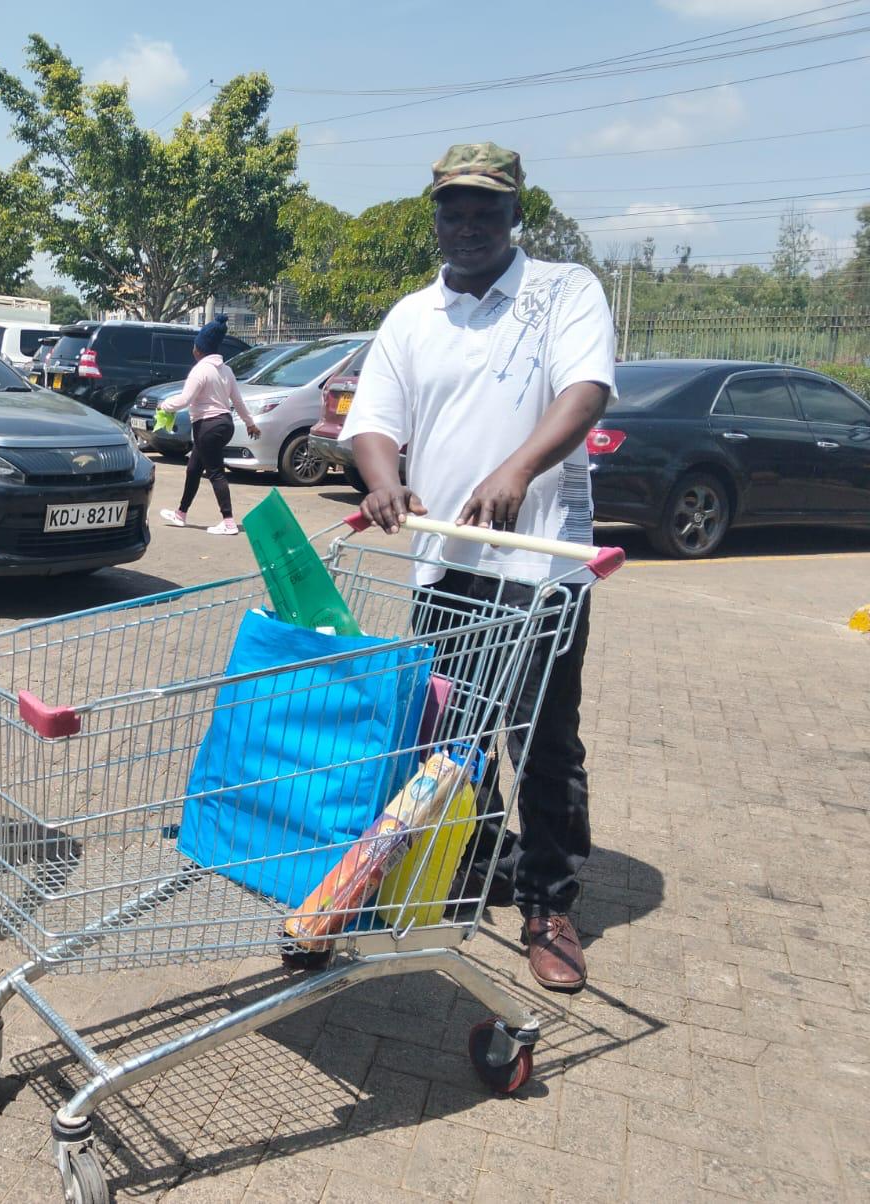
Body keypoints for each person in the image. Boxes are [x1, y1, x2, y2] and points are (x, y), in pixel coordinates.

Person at [340, 143, 615, 993]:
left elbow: (585, 393)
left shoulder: (562, 292)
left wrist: (517, 470)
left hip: (539, 566)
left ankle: (547, 901)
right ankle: (467, 867)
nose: (466, 227)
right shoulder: (412, 314)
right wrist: (385, 481)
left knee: (539, 740)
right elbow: (373, 420)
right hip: (442, 567)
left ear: (514, 215)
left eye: (485, 212)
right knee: (452, 738)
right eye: (452, 212)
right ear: (436, 217)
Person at [158, 316, 260, 536]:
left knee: (215, 472)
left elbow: (184, 400)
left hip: (207, 427)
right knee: (194, 468)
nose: (193, 348)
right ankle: (181, 513)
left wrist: (164, 405)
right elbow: (238, 402)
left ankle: (229, 521)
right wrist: (250, 424)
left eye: (195, 345)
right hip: (224, 424)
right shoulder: (226, 371)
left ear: (200, 349)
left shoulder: (200, 371)